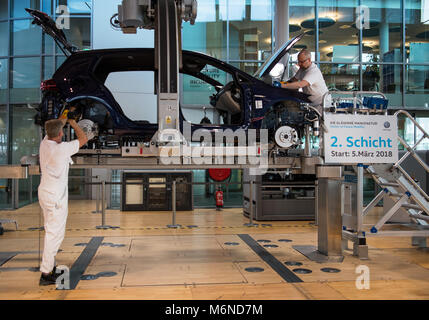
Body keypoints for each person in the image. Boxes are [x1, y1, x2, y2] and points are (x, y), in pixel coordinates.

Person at [38, 112, 88, 286]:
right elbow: (84, 138)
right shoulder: (62, 149)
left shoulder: (45, 143)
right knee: (54, 235)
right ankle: (46, 273)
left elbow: (55, 128)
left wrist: (65, 116)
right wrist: (74, 123)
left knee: (50, 231)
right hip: (55, 198)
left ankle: (48, 268)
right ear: (61, 134)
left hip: (45, 193)